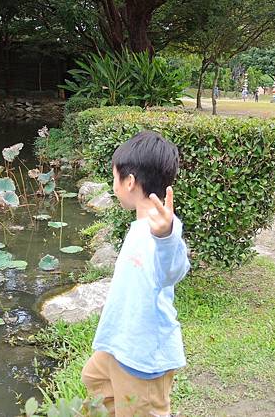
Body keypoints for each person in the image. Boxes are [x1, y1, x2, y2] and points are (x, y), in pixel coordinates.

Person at [81, 131, 190, 417]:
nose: (113, 184)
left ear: (129, 181)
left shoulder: (162, 231)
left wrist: (166, 237)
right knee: (94, 379)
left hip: (144, 355)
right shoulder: (140, 227)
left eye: (114, 177)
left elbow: (173, 270)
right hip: (120, 342)